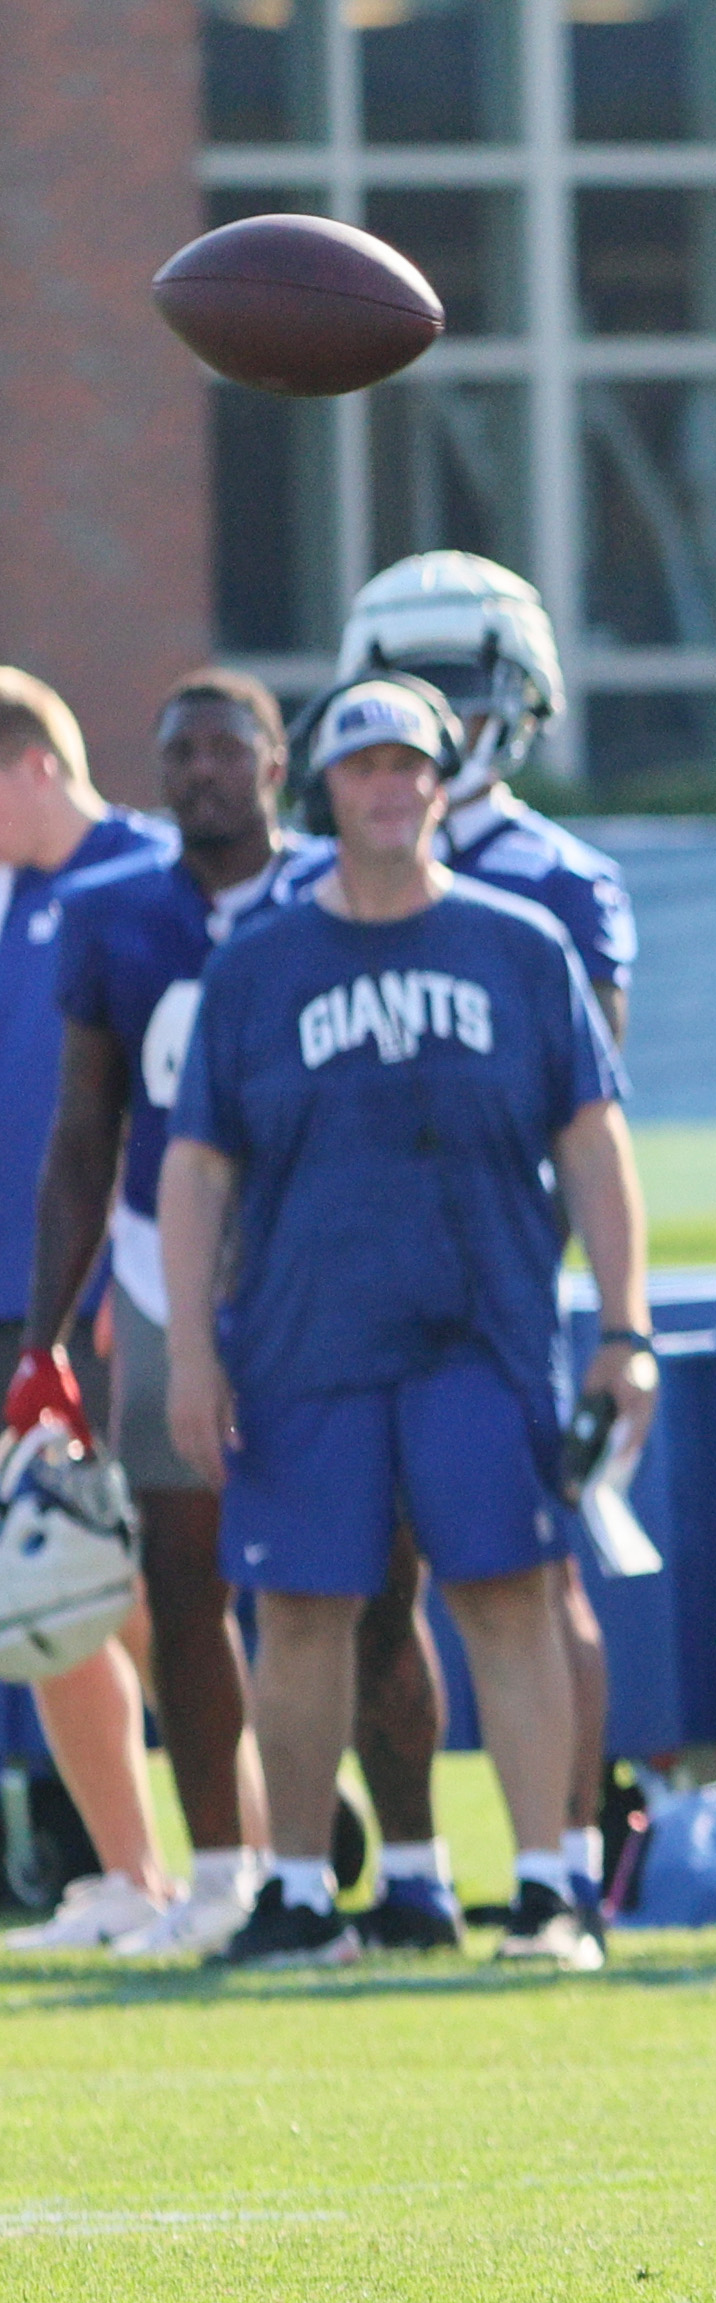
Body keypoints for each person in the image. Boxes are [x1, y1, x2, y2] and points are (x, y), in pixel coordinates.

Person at [157, 677, 649, 1972]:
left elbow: (594, 1146)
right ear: (326, 785)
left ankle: (547, 1885)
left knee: (509, 1591)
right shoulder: (259, 964)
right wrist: (194, 1353)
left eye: (411, 766)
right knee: (304, 1610)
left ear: (442, 782)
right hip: (304, 1339)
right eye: (365, 766)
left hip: (479, 1332)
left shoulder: (519, 945)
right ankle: (302, 1892)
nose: (390, 787)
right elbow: (197, 1166)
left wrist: (626, 1325)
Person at [322, 553, 640, 1937]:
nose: (442, 717)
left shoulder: (559, 882)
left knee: (530, 1574)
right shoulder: (319, 876)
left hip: (505, 1287)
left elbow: (590, 1114)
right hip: (344, 1290)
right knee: (364, 1582)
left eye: (465, 688)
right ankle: (411, 1875)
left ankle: (562, 1872)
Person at [0, 667, 175, 1949]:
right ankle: (133, 1877)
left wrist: (136, 1270)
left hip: (125, 1296)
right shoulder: (15, 905)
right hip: (22, 1306)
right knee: (44, 1589)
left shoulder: (151, 876)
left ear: (31, 768)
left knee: (161, 1588)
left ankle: (264, 1839)